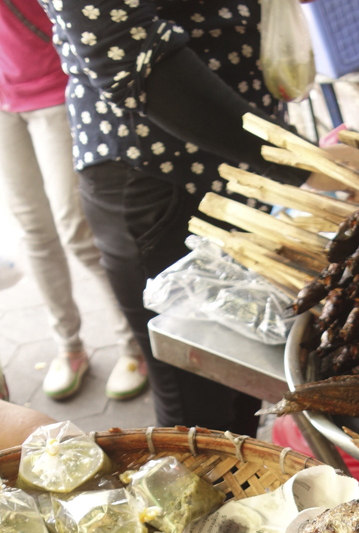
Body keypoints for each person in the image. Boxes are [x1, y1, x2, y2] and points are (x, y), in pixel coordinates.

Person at [37, 0, 323, 434]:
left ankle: (245, 488)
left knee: (241, 372)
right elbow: (133, 57)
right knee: (194, 410)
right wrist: (300, 161)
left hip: (238, 162)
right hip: (159, 178)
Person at [0, 0, 147, 402]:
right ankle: (69, 346)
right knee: (34, 232)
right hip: (3, 102)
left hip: (52, 85)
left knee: (78, 230)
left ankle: (134, 345)